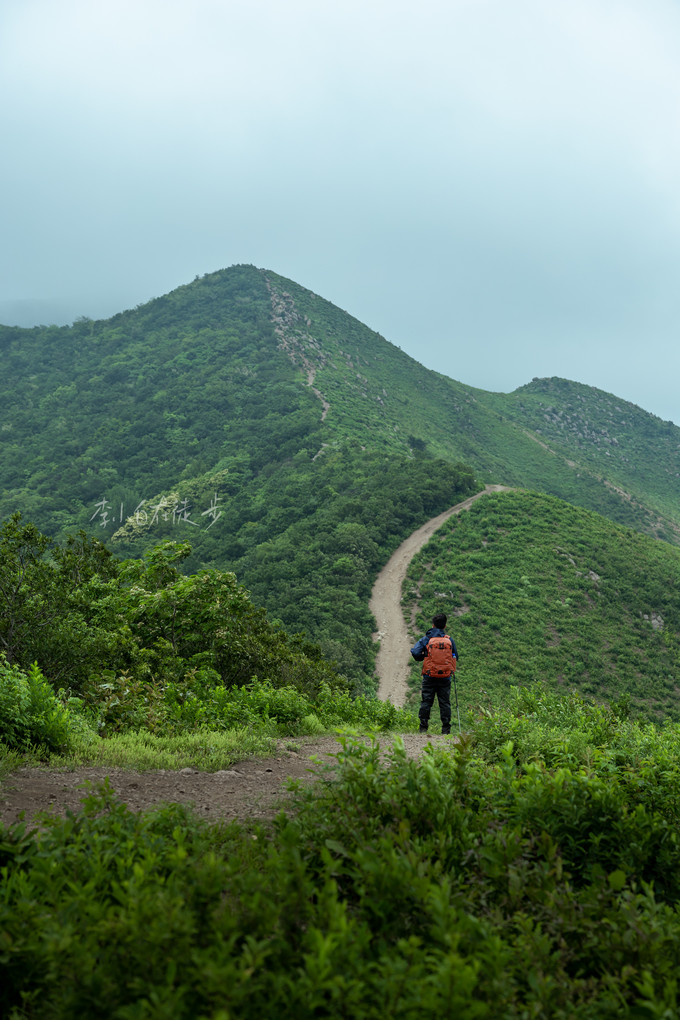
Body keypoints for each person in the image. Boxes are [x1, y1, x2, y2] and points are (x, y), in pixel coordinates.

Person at [410, 613, 458, 734]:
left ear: (433, 625)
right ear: (445, 626)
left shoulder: (427, 639)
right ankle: (446, 729)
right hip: (445, 677)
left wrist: (424, 657)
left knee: (426, 701)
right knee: (445, 702)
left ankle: (423, 727)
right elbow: (455, 656)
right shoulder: (449, 640)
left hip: (429, 675)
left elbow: (415, 652)